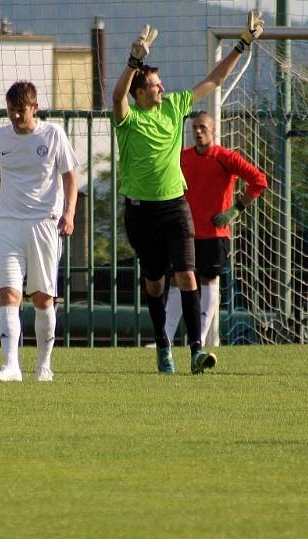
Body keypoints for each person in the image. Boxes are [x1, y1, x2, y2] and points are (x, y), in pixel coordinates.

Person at [112, 11, 264, 374]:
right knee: (154, 281)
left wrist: (242, 44)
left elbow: (215, 79)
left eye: (161, 84)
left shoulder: (174, 106)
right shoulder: (127, 117)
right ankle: (163, 345)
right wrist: (134, 61)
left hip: (174, 207)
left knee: (187, 274)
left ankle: (197, 350)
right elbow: (117, 95)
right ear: (139, 92)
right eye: (154, 85)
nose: (161, 88)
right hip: (140, 212)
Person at [0, 81, 78, 382]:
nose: (15, 117)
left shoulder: (53, 135)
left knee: (42, 299)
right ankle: (11, 365)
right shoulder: (0, 138)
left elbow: (70, 176)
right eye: (11, 111)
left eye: (21, 111)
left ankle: (43, 365)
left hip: (44, 224)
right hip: (8, 225)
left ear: (35, 108)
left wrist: (69, 213)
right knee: (9, 294)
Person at [165, 112, 268, 344]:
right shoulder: (183, 157)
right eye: (194, 128)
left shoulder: (225, 157)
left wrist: (234, 211)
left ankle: (198, 339)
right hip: (186, 232)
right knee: (176, 280)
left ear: (213, 131)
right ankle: (166, 337)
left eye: (203, 127)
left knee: (208, 281)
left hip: (214, 234)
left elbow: (259, 181)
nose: (198, 132)